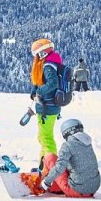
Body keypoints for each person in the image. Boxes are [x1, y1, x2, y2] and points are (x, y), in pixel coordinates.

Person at [31, 118, 100, 197]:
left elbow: (59, 167)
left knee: (50, 157)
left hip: (76, 191)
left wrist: (46, 182)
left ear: (66, 133)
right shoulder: (87, 143)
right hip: (92, 190)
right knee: (66, 164)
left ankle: (44, 181)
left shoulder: (68, 145)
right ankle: (50, 180)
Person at [29, 37, 64, 171]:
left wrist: (38, 91)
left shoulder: (48, 65)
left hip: (47, 107)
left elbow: (52, 83)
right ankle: (43, 166)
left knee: (46, 138)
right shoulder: (49, 63)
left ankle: (51, 168)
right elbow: (40, 82)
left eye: (37, 54)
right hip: (47, 106)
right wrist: (35, 91)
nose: (36, 57)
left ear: (42, 53)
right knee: (42, 137)